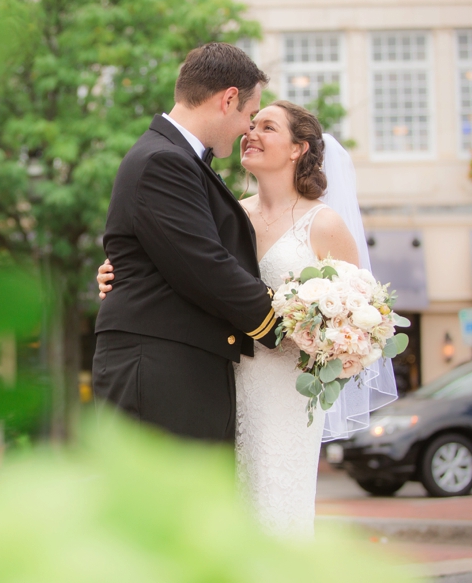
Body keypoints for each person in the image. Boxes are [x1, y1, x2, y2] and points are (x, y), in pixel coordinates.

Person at [98, 100, 397, 538]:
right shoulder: (228, 212)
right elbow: (185, 263)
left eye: (267, 127)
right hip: (219, 379)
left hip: (284, 390)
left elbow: (360, 315)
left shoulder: (325, 224)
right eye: (250, 124)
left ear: (299, 149)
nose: (250, 133)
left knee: (274, 511)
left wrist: (331, 339)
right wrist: (114, 272)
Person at [92, 43, 278, 443]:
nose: (249, 128)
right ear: (228, 99)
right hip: (161, 376)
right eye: (250, 115)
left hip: (177, 370)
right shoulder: (165, 160)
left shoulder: (176, 158)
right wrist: (288, 324)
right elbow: (206, 266)